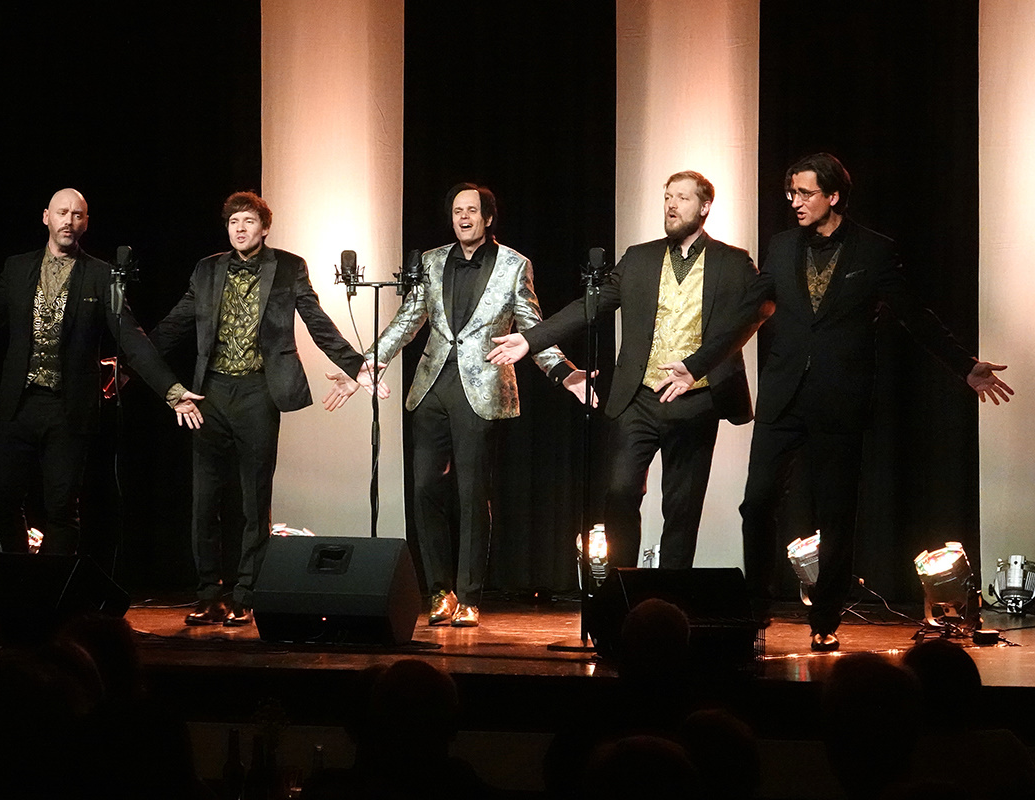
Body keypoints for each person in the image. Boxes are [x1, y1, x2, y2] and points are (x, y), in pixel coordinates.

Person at [658, 153, 1013, 651]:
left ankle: (824, 616)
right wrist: (697, 364)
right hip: (783, 397)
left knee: (836, 514)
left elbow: (914, 314)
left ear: (834, 196)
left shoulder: (874, 250)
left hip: (839, 399)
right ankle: (756, 607)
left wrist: (964, 365)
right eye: (791, 194)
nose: (795, 202)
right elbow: (748, 314)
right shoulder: (782, 247)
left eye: (805, 193)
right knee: (756, 503)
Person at [0, 188, 203, 557]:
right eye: (62, 213)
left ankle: (52, 587)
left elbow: (132, 338)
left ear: (86, 223)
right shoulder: (17, 268)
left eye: (77, 215)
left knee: (61, 508)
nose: (68, 221)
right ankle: (19, 574)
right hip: (18, 405)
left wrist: (172, 391)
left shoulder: (101, 274)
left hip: (68, 409)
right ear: (46, 217)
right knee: (1, 499)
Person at [488, 171, 764, 569]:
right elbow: (590, 307)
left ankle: (669, 595)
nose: (671, 205)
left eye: (682, 198)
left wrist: (701, 365)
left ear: (705, 207)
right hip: (640, 398)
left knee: (682, 507)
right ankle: (623, 585)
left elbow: (756, 311)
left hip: (697, 399)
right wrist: (532, 339)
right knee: (619, 492)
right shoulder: (639, 258)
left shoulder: (733, 262)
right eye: (667, 197)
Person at [345, 183, 588, 628]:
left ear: (488, 217)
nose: (463, 217)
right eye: (457, 210)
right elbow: (408, 320)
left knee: (473, 494)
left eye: (472, 210)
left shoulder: (514, 265)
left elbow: (532, 327)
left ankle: (470, 595)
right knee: (424, 488)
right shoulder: (431, 261)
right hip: (432, 387)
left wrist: (563, 372)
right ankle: (440, 591)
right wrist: (370, 361)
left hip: (482, 388)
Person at [153, 191, 380, 627]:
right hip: (210, 393)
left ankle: (246, 594)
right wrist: (132, 362)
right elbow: (175, 324)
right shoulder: (207, 269)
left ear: (265, 227)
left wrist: (356, 364)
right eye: (233, 222)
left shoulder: (289, 267)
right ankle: (208, 594)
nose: (240, 229)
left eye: (249, 221)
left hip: (258, 391)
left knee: (254, 499)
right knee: (205, 500)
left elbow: (317, 322)